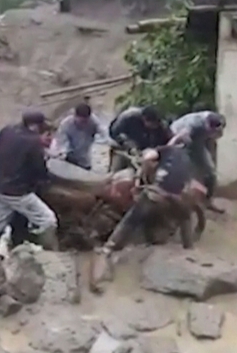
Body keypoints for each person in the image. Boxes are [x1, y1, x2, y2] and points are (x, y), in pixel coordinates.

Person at [91, 144, 201, 291]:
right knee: (184, 215)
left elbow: (148, 160)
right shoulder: (185, 161)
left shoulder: (163, 151)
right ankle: (189, 249)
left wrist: (138, 180)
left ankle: (109, 247)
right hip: (173, 195)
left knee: (132, 219)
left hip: (157, 194)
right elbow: (188, 186)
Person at [0, 110, 60, 253]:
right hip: (17, 192)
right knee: (48, 220)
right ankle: (52, 255)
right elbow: (39, 169)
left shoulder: (7, 130)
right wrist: (45, 182)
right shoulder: (33, 142)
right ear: (34, 126)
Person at [169, 110, 226, 212]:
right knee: (186, 172)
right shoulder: (194, 124)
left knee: (210, 173)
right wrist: (168, 149)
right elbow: (177, 138)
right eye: (211, 132)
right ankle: (181, 203)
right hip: (180, 139)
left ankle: (208, 201)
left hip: (196, 141)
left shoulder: (219, 120)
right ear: (206, 125)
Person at [108, 105, 171, 172]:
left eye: (156, 124)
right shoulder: (129, 116)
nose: (154, 127)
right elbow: (114, 132)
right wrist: (126, 142)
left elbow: (168, 141)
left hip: (148, 153)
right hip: (124, 148)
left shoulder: (161, 126)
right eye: (152, 124)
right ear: (144, 119)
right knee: (117, 171)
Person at [51, 102, 110, 170]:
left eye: (86, 122)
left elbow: (104, 132)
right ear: (75, 116)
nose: (84, 125)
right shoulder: (65, 125)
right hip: (69, 156)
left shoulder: (93, 121)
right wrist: (63, 152)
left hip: (85, 157)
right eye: (81, 122)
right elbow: (62, 142)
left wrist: (108, 141)